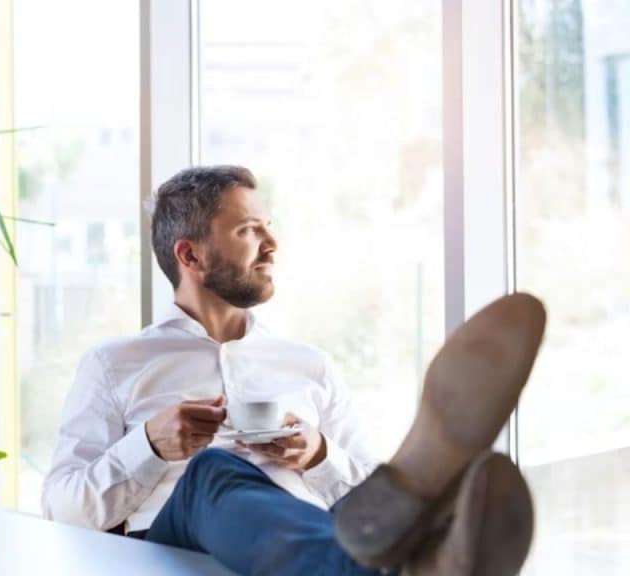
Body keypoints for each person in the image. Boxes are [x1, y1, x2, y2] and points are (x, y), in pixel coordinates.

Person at [42, 165, 544, 575]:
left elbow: (368, 506)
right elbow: (61, 509)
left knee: (366, 507)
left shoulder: (308, 365)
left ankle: (416, 559)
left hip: (304, 543)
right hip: (175, 545)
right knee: (211, 472)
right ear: (190, 255)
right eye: (247, 230)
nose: (271, 244)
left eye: (267, 225)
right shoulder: (115, 364)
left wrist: (318, 454)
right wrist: (148, 447)